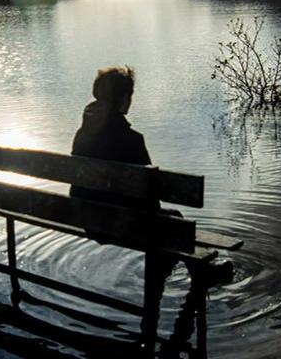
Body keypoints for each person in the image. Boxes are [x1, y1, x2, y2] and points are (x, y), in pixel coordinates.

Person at [70, 65, 233, 285]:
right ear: (124, 98)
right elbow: (149, 199)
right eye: (130, 95)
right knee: (174, 219)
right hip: (122, 225)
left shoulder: (82, 134)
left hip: (87, 218)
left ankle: (165, 265)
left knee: (170, 220)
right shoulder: (132, 140)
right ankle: (200, 273)